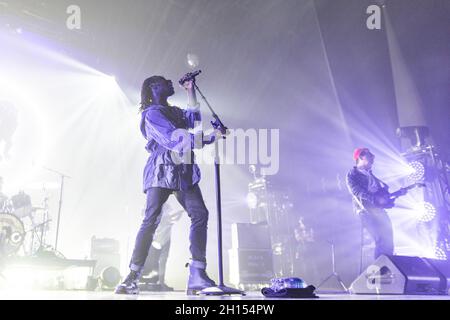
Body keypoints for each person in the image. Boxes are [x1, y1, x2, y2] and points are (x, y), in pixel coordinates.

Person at [115, 75, 223, 295]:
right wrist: (211, 137)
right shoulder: (152, 114)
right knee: (151, 220)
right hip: (162, 169)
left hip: (182, 168)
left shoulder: (172, 110)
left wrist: (190, 90)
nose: (171, 83)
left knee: (200, 213)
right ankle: (132, 276)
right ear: (154, 87)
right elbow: (175, 139)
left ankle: (197, 274)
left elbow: (192, 120)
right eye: (166, 81)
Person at [346, 148, 404, 260]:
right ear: (361, 157)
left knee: (388, 241)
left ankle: (388, 267)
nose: (373, 157)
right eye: (370, 155)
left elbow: (380, 195)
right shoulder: (353, 174)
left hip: (379, 211)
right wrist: (374, 200)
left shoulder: (371, 175)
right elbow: (357, 192)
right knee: (381, 241)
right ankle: (379, 272)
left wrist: (394, 196)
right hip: (366, 212)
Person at [139, 201, 183, 291]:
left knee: (163, 260)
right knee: (152, 261)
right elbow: (146, 216)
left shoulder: (166, 205)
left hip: (166, 238)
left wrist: (180, 213)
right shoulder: (150, 203)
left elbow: (172, 219)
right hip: (154, 237)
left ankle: (161, 282)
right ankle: (148, 281)